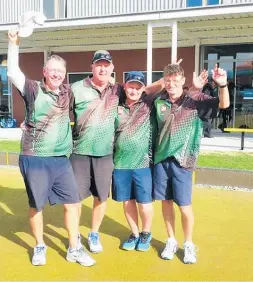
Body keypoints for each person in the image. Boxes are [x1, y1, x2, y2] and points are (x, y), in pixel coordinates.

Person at [7, 30, 95, 267]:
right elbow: (12, 72)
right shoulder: (33, 89)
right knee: (37, 205)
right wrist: (13, 43)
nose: (56, 74)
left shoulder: (68, 92)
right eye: (52, 69)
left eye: (60, 71)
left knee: (72, 203)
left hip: (60, 160)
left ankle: (74, 249)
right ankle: (39, 246)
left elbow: (93, 90)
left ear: (64, 74)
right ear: (45, 72)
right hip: (34, 157)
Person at [70, 50, 163, 253]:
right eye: (99, 64)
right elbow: (59, 109)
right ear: (92, 67)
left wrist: (169, 78)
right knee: (79, 198)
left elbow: (160, 90)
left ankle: (140, 234)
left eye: (107, 65)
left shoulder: (144, 102)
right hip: (109, 160)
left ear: (112, 69)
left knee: (110, 198)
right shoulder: (84, 90)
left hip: (134, 162)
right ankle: (132, 233)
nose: (103, 68)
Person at [152, 63, 229, 264]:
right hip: (161, 160)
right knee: (166, 203)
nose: (171, 83)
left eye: (175, 79)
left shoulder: (195, 100)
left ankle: (188, 244)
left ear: (183, 80)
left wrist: (222, 85)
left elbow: (223, 105)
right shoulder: (159, 101)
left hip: (184, 162)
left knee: (184, 207)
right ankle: (171, 240)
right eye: (167, 80)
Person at [112, 71, 156, 252]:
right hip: (121, 164)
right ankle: (135, 233)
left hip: (142, 164)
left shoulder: (148, 104)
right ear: (125, 86)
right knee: (127, 201)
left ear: (143, 89)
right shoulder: (116, 104)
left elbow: (163, 85)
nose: (134, 91)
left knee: (144, 203)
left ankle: (146, 233)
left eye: (138, 87)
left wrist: (170, 70)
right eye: (131, 86)